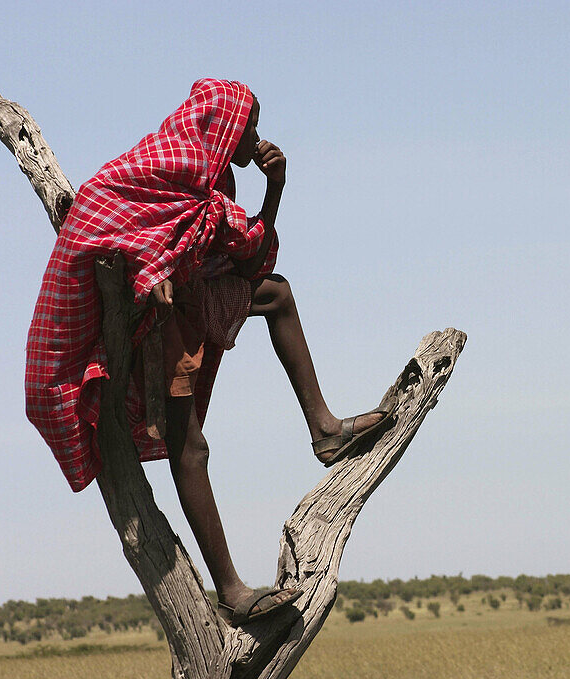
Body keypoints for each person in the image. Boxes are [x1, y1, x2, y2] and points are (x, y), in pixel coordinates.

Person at [25, 79, 392, 626]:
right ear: (225, 126)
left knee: (277, 294)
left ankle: (325, 430)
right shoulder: (169, 167)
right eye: (251, 126)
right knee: (189, 446)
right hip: (143, 326)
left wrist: (275, 188)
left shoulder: (211, 184)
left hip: (183, 303)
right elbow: (106, 228)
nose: (257, 137)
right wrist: (150, 273)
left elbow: (250, 260)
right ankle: (231, 589)